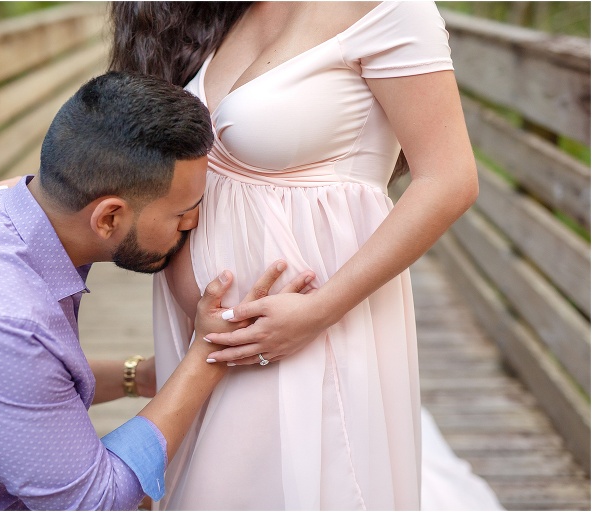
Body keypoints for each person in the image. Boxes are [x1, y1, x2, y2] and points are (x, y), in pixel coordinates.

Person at [0, 71, 314, 510]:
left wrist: (140, 376)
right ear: (109, 218)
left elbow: (32, 384)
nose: (193, 222)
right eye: (181, 211)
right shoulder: (4, 320)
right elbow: (94, 501)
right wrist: (208, 351)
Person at [109, 1, 484, 510]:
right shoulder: (227, 12)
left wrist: (317, 312)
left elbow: (450, 179)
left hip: (304, 329)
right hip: (202, 341)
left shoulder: (390, 10)